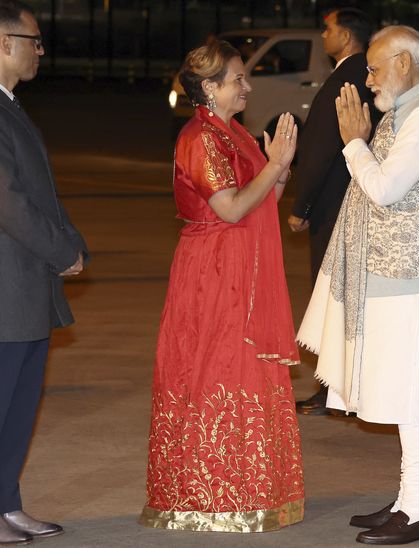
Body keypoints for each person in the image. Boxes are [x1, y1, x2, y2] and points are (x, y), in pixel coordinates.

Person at [297, 25, 419, 544]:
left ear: (404, 64)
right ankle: (407, 500)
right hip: (404, 275)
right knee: (405, 390)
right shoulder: (414, 108)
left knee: (415, 392)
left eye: (375, 68)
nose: (369, 77)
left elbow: (383, 188)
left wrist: (354, 143)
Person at [138, 40, 304, 533]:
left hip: (240, 269)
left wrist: (281, 164)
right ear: (209, 88)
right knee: (216, 371)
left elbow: (261, 202)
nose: (247, 86)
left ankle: (250, 490)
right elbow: (229, 208)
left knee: (245, 373)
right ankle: (204, 496)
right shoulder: (201, 137)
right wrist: (273, 167)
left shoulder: (234, 133)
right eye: (238, 79)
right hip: (213, 273)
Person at [0, 0, 88, 544]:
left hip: (25, 282)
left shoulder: (2, 105)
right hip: (1, 283)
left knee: (18, 400)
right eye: (34, 40)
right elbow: (6, 203)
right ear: (3, 43)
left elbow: (38, 193)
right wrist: (61, 251)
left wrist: (70, 242)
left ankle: (4, 501)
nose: (41, 51)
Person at [289, 7, 381, 416]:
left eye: (327, 29)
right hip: (352, 197)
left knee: (331, 298)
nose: (322, 35)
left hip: (335, 203)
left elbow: (323, 149)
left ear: (345, 36)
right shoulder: (364, 73)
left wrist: (301, 203)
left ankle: (334, 392)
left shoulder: (346, 78)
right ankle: (341, 389)